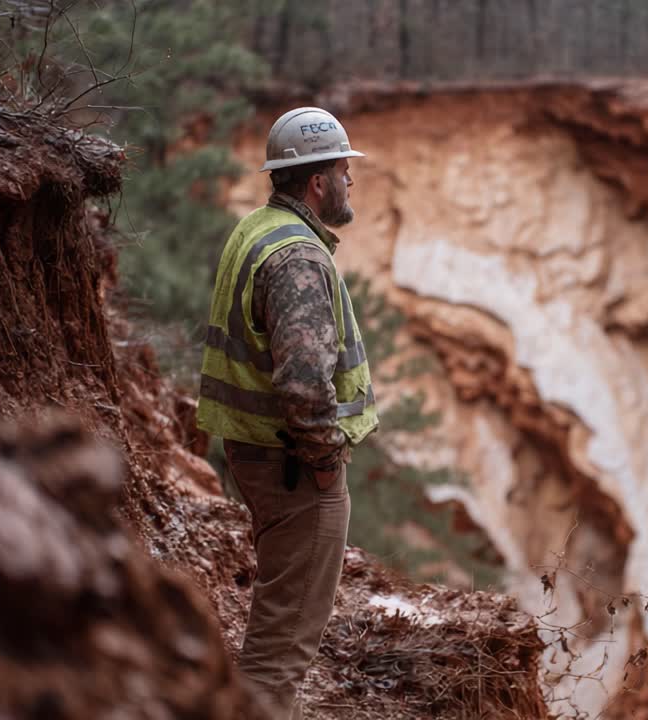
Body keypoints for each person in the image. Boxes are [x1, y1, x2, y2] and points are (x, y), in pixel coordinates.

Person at [196, 107, 379, 718]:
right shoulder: (299, 259)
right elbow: (303, 387)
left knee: (278, 622)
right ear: (317, 181)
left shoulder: (256, 228)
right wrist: (327, 466)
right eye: (343, 170)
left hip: (259, 455)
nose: (351, 181)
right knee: (283, 645)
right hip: (296, 469)